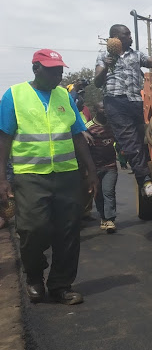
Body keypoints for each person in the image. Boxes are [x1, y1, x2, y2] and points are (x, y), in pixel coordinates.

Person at [0, 49, 97, 305]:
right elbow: (4, 138)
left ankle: (61, 285)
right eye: (53, 70)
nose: (59, 74)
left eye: (60, 69)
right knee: (33, 229)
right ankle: (34, 275)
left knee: (67, 231)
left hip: (66, 175)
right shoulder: (14, 95)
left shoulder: (64, 95)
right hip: (30, 176)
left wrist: (91, 171)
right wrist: (2, 177)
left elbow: (77, 134)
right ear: (36, 69)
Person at [94, 24, 152, 198]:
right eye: (127, 34)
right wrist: (107, 68)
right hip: (116, 102)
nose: (130, 37)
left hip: (137, 101)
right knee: (130, 142)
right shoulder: (103, 56)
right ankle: (145, 181)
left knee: (148, 138)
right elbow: (97, 82)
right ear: (116, 38)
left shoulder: (136, 54)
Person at [86, 102, 119, 234]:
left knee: (108, 191)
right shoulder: (88, 128)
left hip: (110, 165)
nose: (105, 110)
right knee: (98, 194)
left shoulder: (112, 125)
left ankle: (110, 219)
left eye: (107, 107)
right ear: (96, 110)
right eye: (102, 108)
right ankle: (103, 218)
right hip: (94, 168)